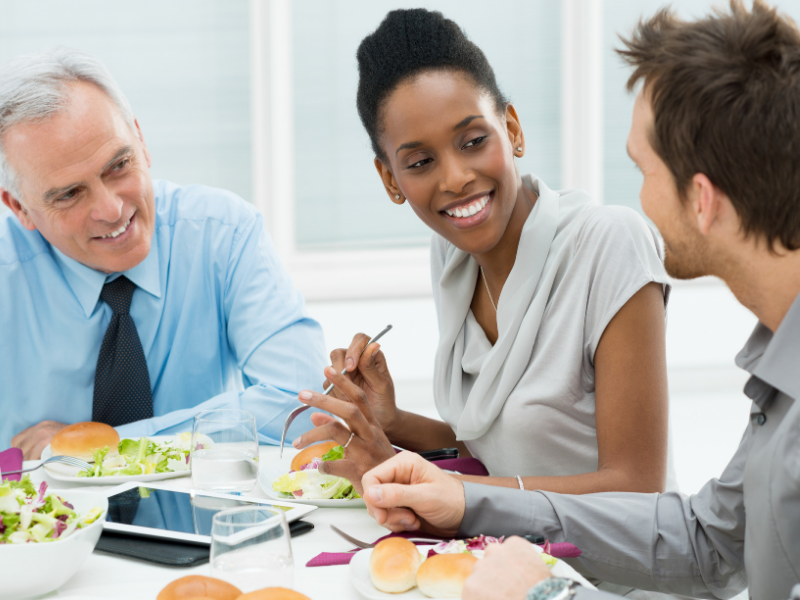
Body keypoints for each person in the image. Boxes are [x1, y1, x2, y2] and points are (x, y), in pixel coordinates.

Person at [359, 2, 800, 600]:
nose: (638, 202)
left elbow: (654, 506)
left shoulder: (610, 242)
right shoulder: (779, 377)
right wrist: (457, 492)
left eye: (643, 170)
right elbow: (710, 545)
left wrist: (537, 587)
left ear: (701, 198)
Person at [294, 8, 672, 498]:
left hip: (611, 572)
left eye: (473, 141)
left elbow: (637, 490)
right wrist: (391, 423)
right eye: (421, 161)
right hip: (508, 559)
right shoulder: (453, 260)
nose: (455, 178)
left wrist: (442, 489)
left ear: (512, 129)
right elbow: (500, 455)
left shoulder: (608, 244)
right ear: (390, 179)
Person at [0, 48, 326, 458]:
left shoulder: (222, 235)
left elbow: (303, 406)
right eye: (69, 194)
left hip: (205, 520)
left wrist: (111, 446)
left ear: (141, 141)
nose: (111, 209)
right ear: (19, 208)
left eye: (118, 165)